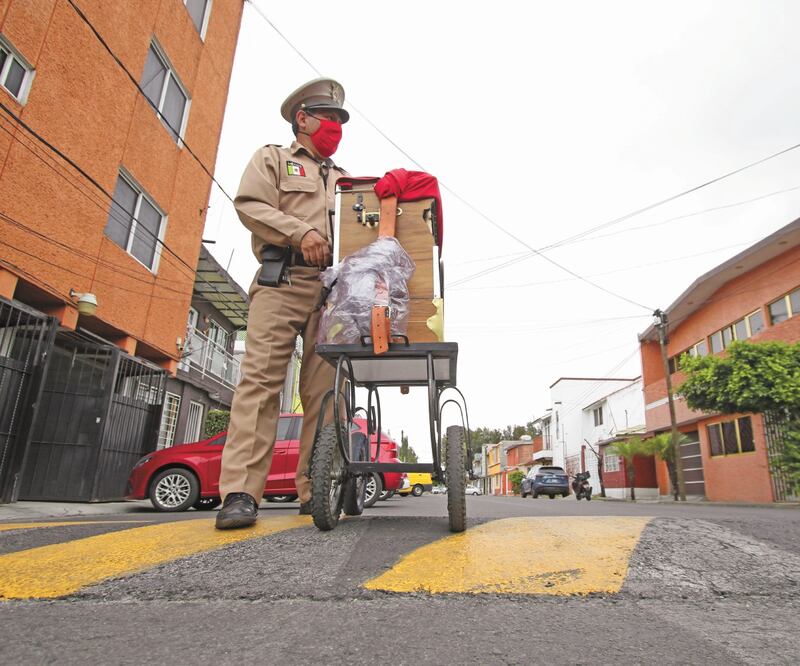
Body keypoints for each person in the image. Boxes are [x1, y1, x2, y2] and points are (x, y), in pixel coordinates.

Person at [215, 78, 350, 529]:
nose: (335, 126)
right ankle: (240, 493)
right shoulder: (273, 158)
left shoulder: (346, 179)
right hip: (281, 279)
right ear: (303, 118)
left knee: (325, 396)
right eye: (328, 117)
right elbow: (249, 204)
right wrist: (300, 232)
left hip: (331, 294)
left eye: (339, 120)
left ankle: (313, 491)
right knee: (260, 385)